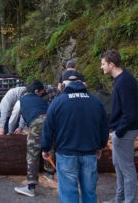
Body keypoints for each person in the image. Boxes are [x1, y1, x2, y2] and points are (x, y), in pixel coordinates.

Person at [41, 72, 109, 202]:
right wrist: (101, 145)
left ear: (62, 85)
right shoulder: (95, 101)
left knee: (68, 194)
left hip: (66, 154)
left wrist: (45, 148)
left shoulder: (57, 102)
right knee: (89, 192)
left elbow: (48, 128)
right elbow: (104, 126)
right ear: (84, 84)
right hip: (89, 153)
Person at [100, 50, 138, 203]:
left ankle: (128, 201)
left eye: (103, 64)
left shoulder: (124, 81)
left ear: (112, 64)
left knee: (127, 168)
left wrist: (119, 132)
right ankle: (119, 198)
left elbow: (129, 112)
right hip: (121, 129)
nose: (102, 67)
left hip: (126, 131)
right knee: (118, 164)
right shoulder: (121, 79)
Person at [14, 80, 55, 198]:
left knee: (33, 154)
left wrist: (10, 131)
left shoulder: (21, 101)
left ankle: (30, 187)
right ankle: (50, 173)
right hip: (50, 122)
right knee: (49, 146)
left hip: (36, 123)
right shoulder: (39, 99)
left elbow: (14, 116)